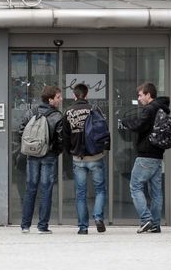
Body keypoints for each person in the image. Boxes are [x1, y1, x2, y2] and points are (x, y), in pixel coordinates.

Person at [121, 82, 170, 233]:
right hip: (157, 155)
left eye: (141, 95)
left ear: (149, 95)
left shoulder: (150, 109)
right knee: (156, 192)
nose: (139, 98)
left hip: (146, 155)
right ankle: (155, 225)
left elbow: (139, 125)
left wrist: (125, 122)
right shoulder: (161, 108)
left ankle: (146, 219)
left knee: (135, 186)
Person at [62, 83, 109, 235]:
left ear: (74, 96)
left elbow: (65, 136)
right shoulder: (94, 110)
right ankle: (98, 217)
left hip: (78, 158)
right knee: (100, 190)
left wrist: (70, 153)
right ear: (87, 95)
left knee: (80, 193)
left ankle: (83, 227)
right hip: (96, 155)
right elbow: (104, 131)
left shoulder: (68, 112)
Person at [18, 85, 63, 234]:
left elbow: (21, 131)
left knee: (30, 189)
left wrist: (30, 147)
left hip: (32, 155)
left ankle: (25, 225)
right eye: (58, 97)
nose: (60, 99)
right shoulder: (57, 116)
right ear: (50, 100)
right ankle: (42, 226)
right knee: (46, 190)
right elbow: (61, 139)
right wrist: (54, 151)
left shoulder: (31, 112)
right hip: (48, 156)